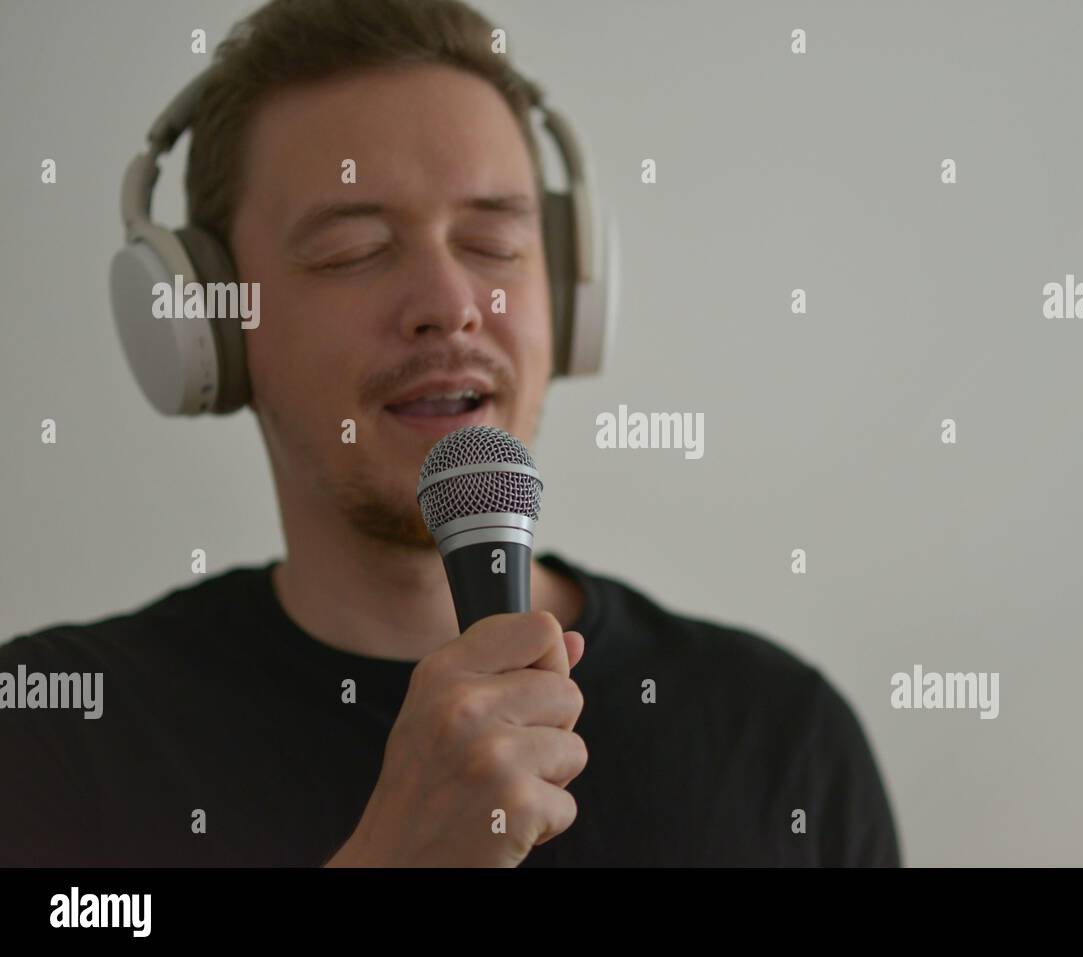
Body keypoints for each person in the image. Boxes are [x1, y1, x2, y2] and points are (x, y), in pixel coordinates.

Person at [0, 0, 900, 867]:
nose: (451, 307)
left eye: (494, 243)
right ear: (208, 326)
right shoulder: (56, 731)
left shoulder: (784, 736)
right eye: (354, 250)